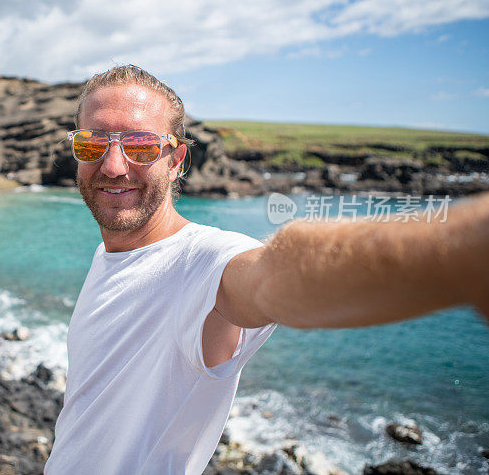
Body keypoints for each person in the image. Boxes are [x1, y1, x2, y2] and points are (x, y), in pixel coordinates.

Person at [43, 65, 489, 474]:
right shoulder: (111, 255)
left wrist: (462, 251)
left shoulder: (202, 262)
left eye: (140, 146)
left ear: (176, 160)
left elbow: (274, 276)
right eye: (92, 143)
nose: (114, 165)